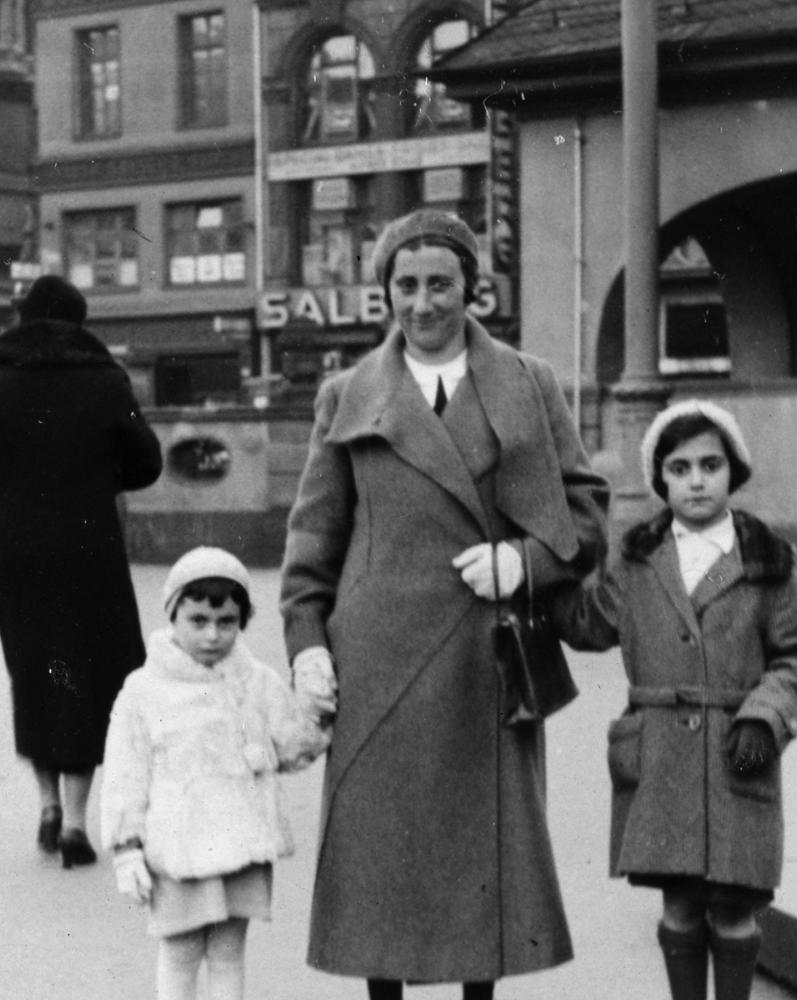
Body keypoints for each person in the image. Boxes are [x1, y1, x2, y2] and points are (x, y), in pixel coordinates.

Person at [279, 208, 608, 1000]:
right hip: (377, 661)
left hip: (485, 660)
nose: (422, 303)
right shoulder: (346, 394)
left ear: (473, 290)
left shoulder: (530, 384)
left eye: (440, 284)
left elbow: (587, 512)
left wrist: (523, 561)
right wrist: (308, 646)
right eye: (405, 285)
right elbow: (311, 541)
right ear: (385, 292)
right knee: (381, 861)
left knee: (480, 864)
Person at [551, 399, 797, 1000]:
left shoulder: (767, 560)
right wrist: (553, 566)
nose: (696, 480)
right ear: (660, 480)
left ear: (734, 471)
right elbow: (590, 624)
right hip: (661, 760)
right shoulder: (640, 558)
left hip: (738, 753)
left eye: (710, 465)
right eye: (679, 468)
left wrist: (766, 716)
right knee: (678, 905)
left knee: (732, 908)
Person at [0, 275, 162, 867]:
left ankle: (46, 804)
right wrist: (96, 481)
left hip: (16, 549)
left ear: (24, 319)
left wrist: (9, 493)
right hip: (89, 545)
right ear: (79, 322)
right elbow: (148, 462)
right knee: (84, 671)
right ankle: (78, 822)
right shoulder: (107, 380)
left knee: (36, 668)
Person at [100, 546, 333, 1000]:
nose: (212, 635)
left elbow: (290, 746)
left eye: (226, 622)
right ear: (173, 616)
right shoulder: (144, 691)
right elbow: (125, 774)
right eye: (198, 621)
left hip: (242, 847)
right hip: (178, 852)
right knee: (180, 956)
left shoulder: (255, 680)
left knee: (228, 955)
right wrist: (127, 848)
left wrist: (315, 710)